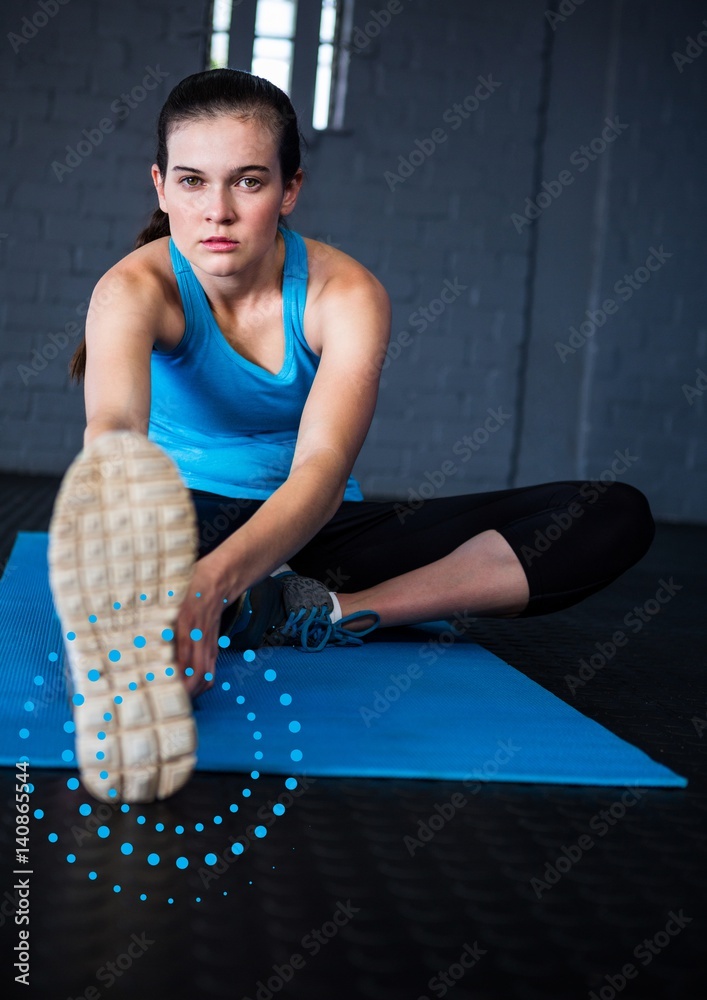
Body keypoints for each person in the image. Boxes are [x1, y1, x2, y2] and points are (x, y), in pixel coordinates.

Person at [48, 68, 655, 803]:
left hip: (312, 527)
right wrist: (142, 555)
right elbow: (113, 435)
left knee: (612, 514)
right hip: (183, 516)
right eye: (191, 181)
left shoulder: (345, 293)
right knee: (149, 560)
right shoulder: (132, 289)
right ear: (159, 186)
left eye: (246, 182)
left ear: (290, 188)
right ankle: (153, 622)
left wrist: (216, 583)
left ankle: (319, 611)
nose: (217, 211)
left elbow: (322, 471)